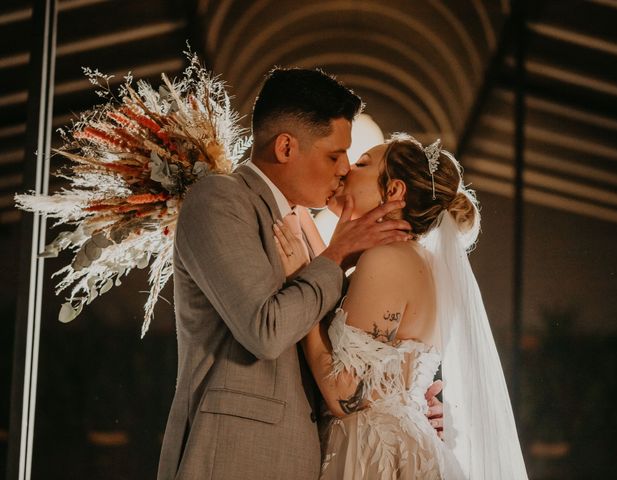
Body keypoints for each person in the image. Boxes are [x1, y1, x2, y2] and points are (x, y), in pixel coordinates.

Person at [156, 68, 425, 480]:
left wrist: (405, 406)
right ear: (285, 147)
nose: (343, 170)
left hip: (305, 456)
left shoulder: (307, 227)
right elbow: (266, 329)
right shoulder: (220, 200)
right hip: (234, 457)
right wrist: (336, 256)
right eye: (335, 155)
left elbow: (339, 353)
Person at [273, 134, 529, 478]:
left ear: (394, 192)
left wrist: (300, 286)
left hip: (373, 457)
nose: (347, 169)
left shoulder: (386, 260)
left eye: (362, 164)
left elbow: (344, 395)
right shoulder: (428, 265)